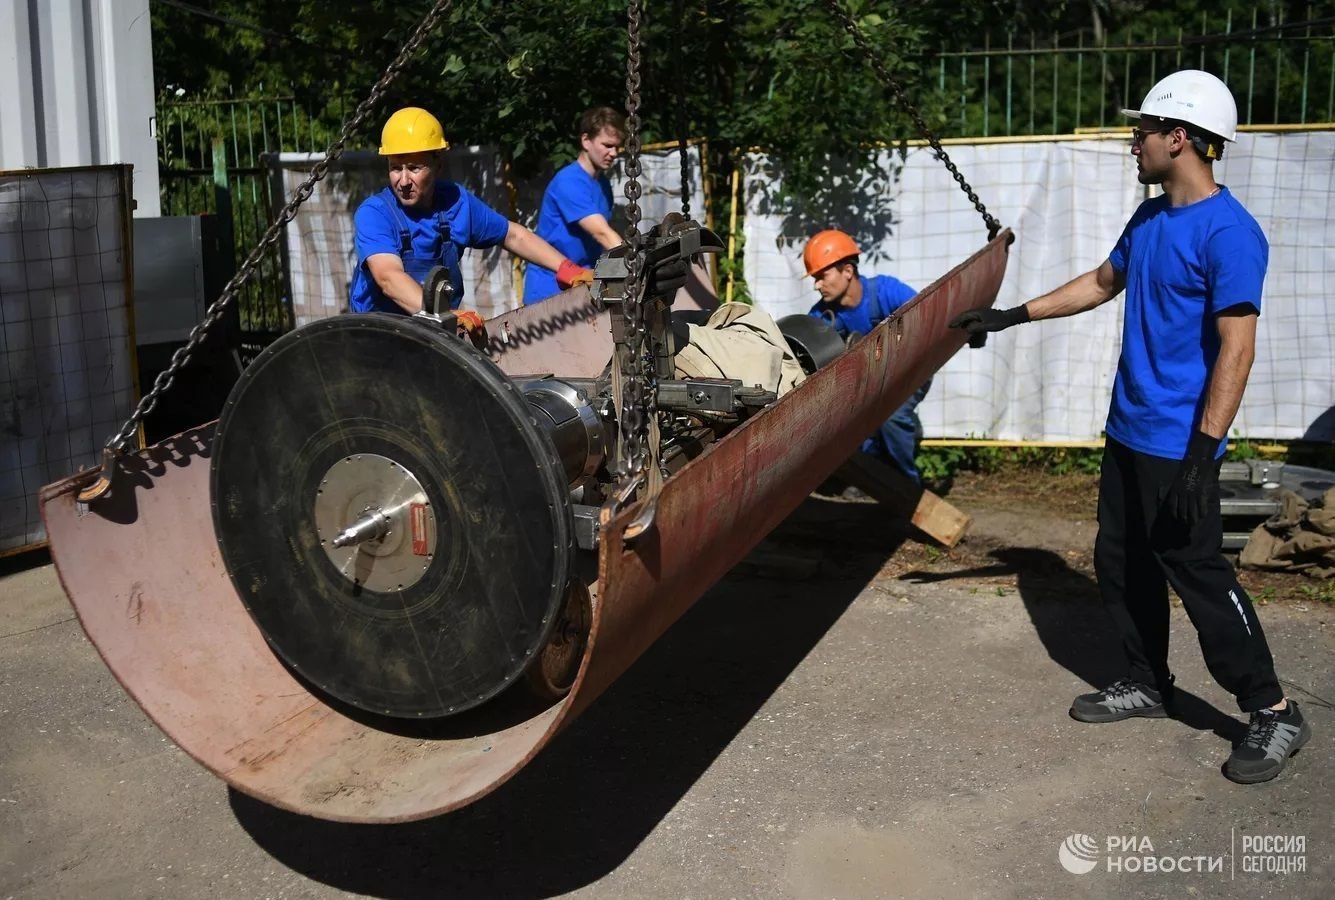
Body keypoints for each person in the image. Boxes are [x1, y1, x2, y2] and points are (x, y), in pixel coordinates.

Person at [950, 69, 1310, 784]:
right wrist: (1009, 315)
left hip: (1182, 444)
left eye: (1141, 130)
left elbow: (1236, 347)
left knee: (1199, 575)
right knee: (1121, 564)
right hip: (1128, 432)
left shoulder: (1229, 233)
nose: (1131, 141)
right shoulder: (1149, 220)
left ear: (1178, 138)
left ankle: (1270, 712)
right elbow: (1100, 282)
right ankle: (1148, 681)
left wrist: (1203, 454)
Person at [349, 107, 592, 320]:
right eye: (395, 168)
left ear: (437, 165)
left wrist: (566, 268)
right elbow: (388, 278)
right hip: (378, 339)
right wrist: (442, 315)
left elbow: (511, 235)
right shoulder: (375, 214)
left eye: (414, 168)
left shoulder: (456, 202)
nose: (403, 180)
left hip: (434, 333)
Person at [803, 229, 928, 484]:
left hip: (911, 369)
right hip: (865, 383)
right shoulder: (820, 316)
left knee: (893, 416)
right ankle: (871, 479)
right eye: (814, 278)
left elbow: (926, 316)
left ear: (847, 271)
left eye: (822, 276)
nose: (817, 285)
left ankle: (908, 485)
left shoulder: (886, 291)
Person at [522, 106, 627, 305]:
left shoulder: (603, 184)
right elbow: (602, 233)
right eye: (607, 145)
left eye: (617, 147)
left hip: (581, 283)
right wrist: (635, 264)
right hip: (550, 289)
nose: (613, 153)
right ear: (585, 141)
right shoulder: (568, 182)